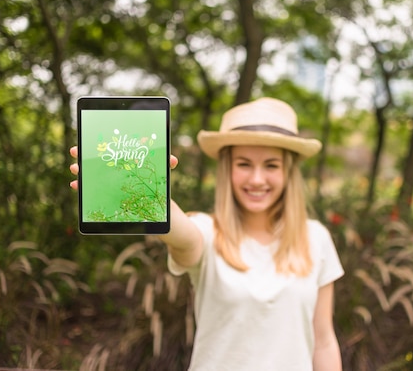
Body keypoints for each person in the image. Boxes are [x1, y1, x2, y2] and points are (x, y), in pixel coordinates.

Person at [70, 97, 344, 371]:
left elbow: (323, 342)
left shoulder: (316, 238)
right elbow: (183, 237)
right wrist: (151, 197)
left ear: (288, 171)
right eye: (244, 164)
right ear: (227, 168)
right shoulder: (206, 231)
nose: (257, 179)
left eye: (271, 165)